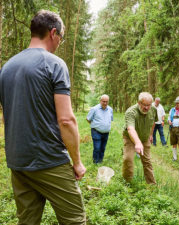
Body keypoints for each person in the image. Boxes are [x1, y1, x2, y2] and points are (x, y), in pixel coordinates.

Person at [0, 10, 86, 224]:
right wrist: (77, 162)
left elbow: (8, 114)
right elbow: (66, 120)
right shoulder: (54, 64)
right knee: (75, 219)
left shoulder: (6, 68)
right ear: (53, 32)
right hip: (50, 161)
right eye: (61, 37)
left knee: (27, 220)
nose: (60, 42)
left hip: (18, 162)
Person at [122, 92, 158, 184]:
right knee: (128, 159)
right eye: (144, 105)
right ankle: (128, 182)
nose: (146, 108)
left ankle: (151, 184)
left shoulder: (153, 109)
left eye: (148, 105)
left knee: (147, 161)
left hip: (144, 138)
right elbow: (130, 129)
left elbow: (153, 122)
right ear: (139, 103)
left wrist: (150, 134)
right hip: (130, 138)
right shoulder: (131, 112)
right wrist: (137, 143)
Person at [87, 94, 113, 164]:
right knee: (97, 148)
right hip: (96, 131)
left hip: (106, 132)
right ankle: (95, 162)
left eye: (106, 101)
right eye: (103, 101)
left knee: (103, 148)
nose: (105, 103)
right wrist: (95, 125)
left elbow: (110, 119)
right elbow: (88, 119)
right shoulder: (94, 109)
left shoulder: (110, 109)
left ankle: (100, 160)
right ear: (100, 101)